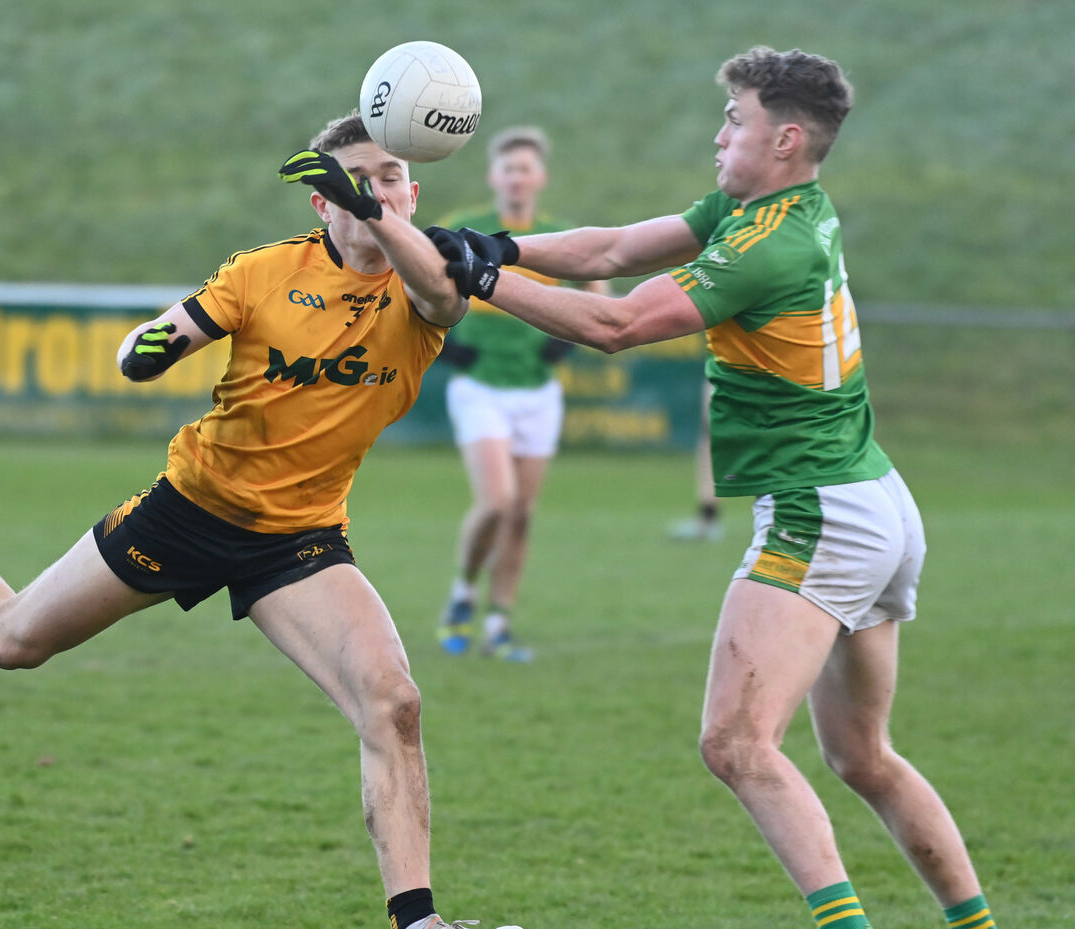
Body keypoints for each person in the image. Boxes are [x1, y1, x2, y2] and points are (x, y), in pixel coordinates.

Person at [0, 112, 517, 929]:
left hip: (299, 539)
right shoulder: (261, 273)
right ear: (320, 205)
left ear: (413, 190)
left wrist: (374, 207)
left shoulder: (432, 285)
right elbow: (153, 341)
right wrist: (149, 347)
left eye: (389, 176)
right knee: (10, 640)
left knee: (393, 702)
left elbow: (435, 292)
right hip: (190, 508)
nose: (374, 192)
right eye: (354, 182)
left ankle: (420, 922)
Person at [426, 47, 997, 929]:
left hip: (821, 512)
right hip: (878, 499)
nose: (719, 133)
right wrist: (496, 244)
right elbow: (614, 248)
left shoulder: (772, 246)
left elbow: (617, 321)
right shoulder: (763, 206)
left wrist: (486, 279)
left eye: (737, 120)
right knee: (863, 757)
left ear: (787, 140)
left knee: (736, 742)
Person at [434, 126, 607, 662]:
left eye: (526, 168)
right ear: (494, 176)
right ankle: (463, 592)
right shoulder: (470, 231)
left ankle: (499, 621)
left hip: (537, 391)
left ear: (540, 178)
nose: (517, 177)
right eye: (508, 168)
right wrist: (445, 346)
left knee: (524, 513)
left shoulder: (555, 237)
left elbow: (598, 287)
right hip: (479, 387)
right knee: (498, 503)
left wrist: (563, 345)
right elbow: (417, 284)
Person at [666, 377, 723, 542]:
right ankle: (708, 516)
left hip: (753, 366)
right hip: (728, 361)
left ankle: (786, 515)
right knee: (711, 430)